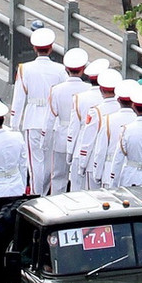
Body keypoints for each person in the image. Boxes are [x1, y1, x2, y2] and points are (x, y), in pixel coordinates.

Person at [10, 27, 67, 195]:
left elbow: (19, 100)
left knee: (35, 163)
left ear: (34, 48)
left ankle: (36, 195)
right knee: (51, 163)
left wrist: (14, 125)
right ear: (51, 47)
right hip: (53, 121)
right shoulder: (60, 70)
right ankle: (46, 194)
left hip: (32, 119)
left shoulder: (24, 69)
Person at [44, 48, 88, 194]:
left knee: (58, 176)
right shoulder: (88, 89)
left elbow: (50, 119)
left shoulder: (56, 90)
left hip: (61, 136)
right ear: (83, 69)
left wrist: (45, 142)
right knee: (79, 179)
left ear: (66, 69)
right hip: (82, 138)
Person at [65, 58, 109, 192]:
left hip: (82, 150)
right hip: (106, 157)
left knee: (77, 193)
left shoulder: (80, 98)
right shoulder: (116, 102)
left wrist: (70, 152)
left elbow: (73, 129)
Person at [74, 69, 121, 189]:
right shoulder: (124, 110)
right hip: (119, 165)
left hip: (95, 163)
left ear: (101, 90)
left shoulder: (96, 112)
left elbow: (88, 141)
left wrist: (82, 164)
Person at [90, 78, 136, 188]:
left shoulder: (108, 120)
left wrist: (97, 174)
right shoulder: (139, 122)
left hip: (109, 172)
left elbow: (100, 150)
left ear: (118, 100)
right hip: (132, 175)